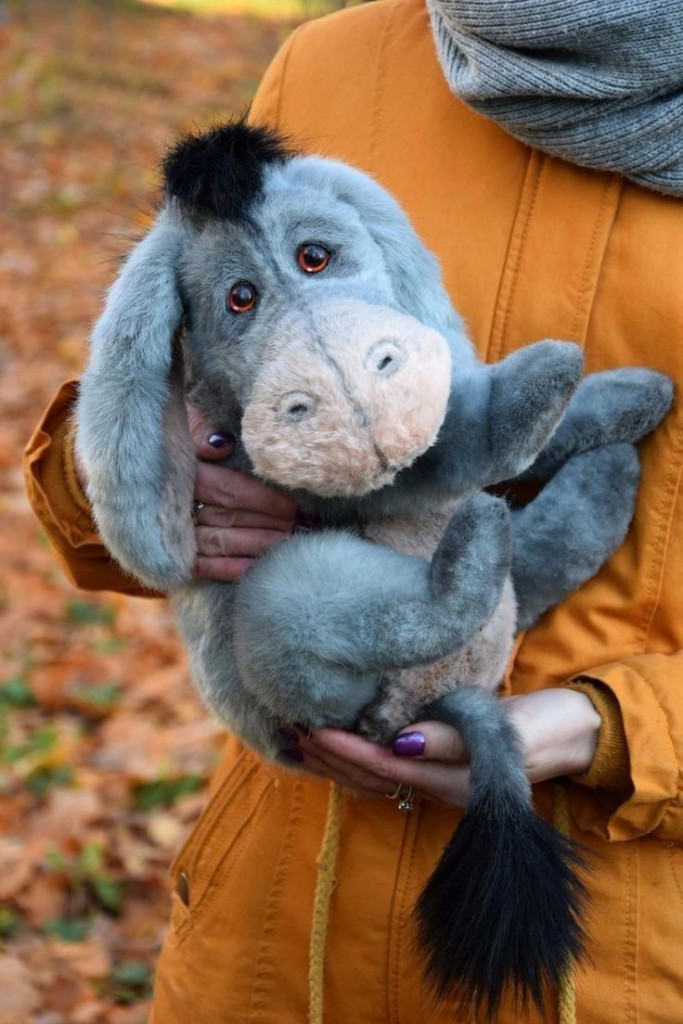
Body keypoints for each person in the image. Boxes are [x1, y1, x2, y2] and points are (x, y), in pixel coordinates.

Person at [24, 0, 683, 1021]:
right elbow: (163, 380)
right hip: (277, 940)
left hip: (599, 952)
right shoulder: (332, 65)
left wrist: (608, 730)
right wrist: (162, 476)